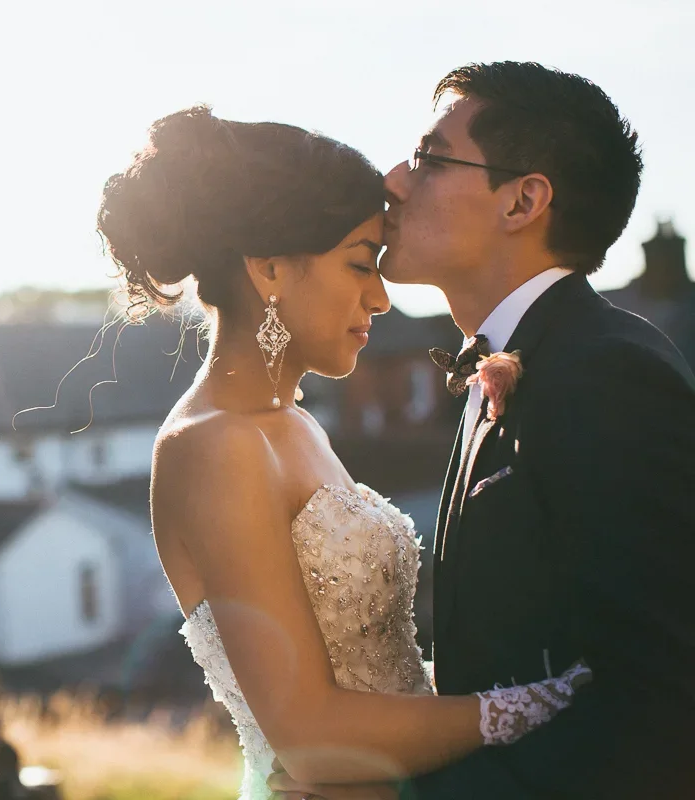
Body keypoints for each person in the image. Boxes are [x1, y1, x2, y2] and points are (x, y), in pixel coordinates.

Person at [96, 104, 591, 800]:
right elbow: (311, 735)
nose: (382, 297)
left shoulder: (295, 423)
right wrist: (537, 706)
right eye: (361, 264)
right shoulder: (213, 447)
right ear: (269, 269)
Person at [269, 61, 695, 800]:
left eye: (431, 159)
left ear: (523, 200)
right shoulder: (519, 358)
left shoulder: (608, 373)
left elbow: (660, 703)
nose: (394, 180)